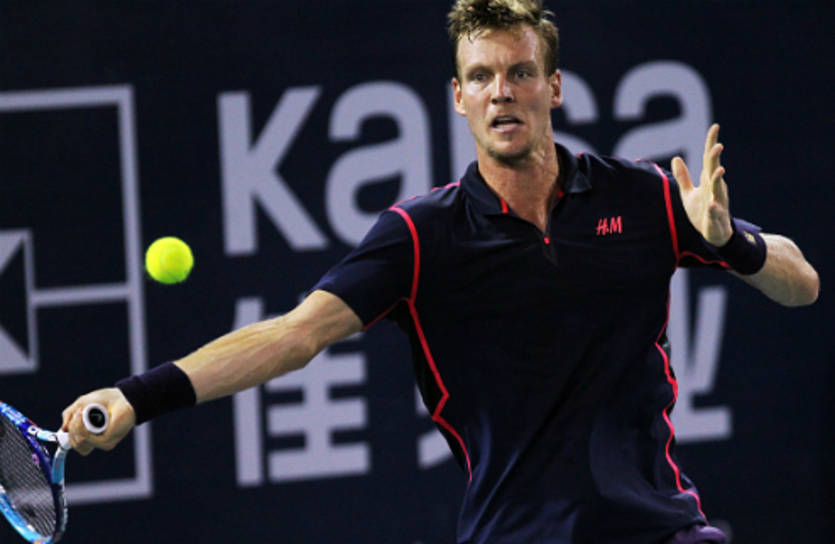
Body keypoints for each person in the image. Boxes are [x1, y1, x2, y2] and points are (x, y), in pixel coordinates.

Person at [62, 1, 819, 543]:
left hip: (663, 529)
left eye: (520, 72)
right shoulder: (421, 237)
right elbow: (293, 336)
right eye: (481, 77)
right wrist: (135, 396)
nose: (502, 92)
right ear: (458, 98)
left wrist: (732, 243)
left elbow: (802, 283)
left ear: (554, 87)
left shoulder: (646, 196)